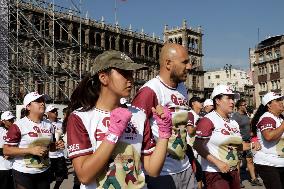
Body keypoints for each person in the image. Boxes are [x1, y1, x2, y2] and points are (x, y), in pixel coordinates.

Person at [66, 50, 172, 189]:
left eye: (131, 74)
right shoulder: (80, 117)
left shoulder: (138, 115)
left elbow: (153, 170)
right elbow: (84, 176)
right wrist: (113, 134)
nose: (131, 79)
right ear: (103, 77)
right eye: (124, 73)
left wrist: (164, 134)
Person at [132, 43, 195, 189]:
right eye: (184, 62)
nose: (190, 66)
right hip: (162, 174)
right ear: (168, 63)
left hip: (185, 168)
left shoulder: (182, 88)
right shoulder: (150, 91)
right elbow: (135, 133)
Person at [193, 85, 259, 189]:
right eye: (228, 98)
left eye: (232, 98)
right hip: (215, 173)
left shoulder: (233, 122)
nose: (232, 102)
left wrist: (251, 145)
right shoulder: (208, 120)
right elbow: (197, 145)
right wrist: (217, 162)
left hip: (233, 171)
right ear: (218, 101)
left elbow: (236, 147)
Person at [3, 92, 65, 189]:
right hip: (23, 173)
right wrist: (30, 150)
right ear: (28, 107)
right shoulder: (18, 125)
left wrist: (56, 146)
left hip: (43, 172)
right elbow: (6, 150)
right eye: (38, 101)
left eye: (43, 101)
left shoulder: (49, 125)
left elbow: (49, 148)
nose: (42, 103)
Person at [251, 92, 284, 189]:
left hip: (279, 162)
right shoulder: (267, 117)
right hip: (268, 163)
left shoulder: (280, 118)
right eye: (277, 101)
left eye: (281, 100)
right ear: (269, 105)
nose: (281, 102)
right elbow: (268, 136)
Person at [232, 99, 262, 187]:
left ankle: (254, 179)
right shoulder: (235, 117)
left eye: (246, 104)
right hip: (240, 142)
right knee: (238, 162)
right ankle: (238, 181)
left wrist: (251, 133)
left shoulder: (246, 115)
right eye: (244, 105)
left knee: (250, 160)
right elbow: (234, 130)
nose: (246, 106)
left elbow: (249, 125)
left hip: (248, 141)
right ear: (239, 107)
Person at [46, 105, 68, 189]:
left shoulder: (61, 123)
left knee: (61, 176)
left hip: (60, 155)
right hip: (49, 155)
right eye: (53, 111)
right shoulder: (45, 123)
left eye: (56, 110)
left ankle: (56, 188)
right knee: (48, 178)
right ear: (48, 113)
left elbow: (65, 135)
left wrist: (63, 141)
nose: (55, 112)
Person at [187, 97, 204, 189]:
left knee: (200, 173)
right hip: (192, 149)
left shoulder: (200, 116)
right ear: (193, 103)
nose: (202, 103)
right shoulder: (190, 114)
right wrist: (198, 125)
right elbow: (190, 131)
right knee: (197, 172)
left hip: (200, 148)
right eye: (200, 101)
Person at [0, 111, 15, 189]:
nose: (12, 122)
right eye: (9, 120)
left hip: (15, 166)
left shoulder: (16, 130)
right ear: (3, 121)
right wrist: (5, 153)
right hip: (2, 167)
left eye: (12, 119)